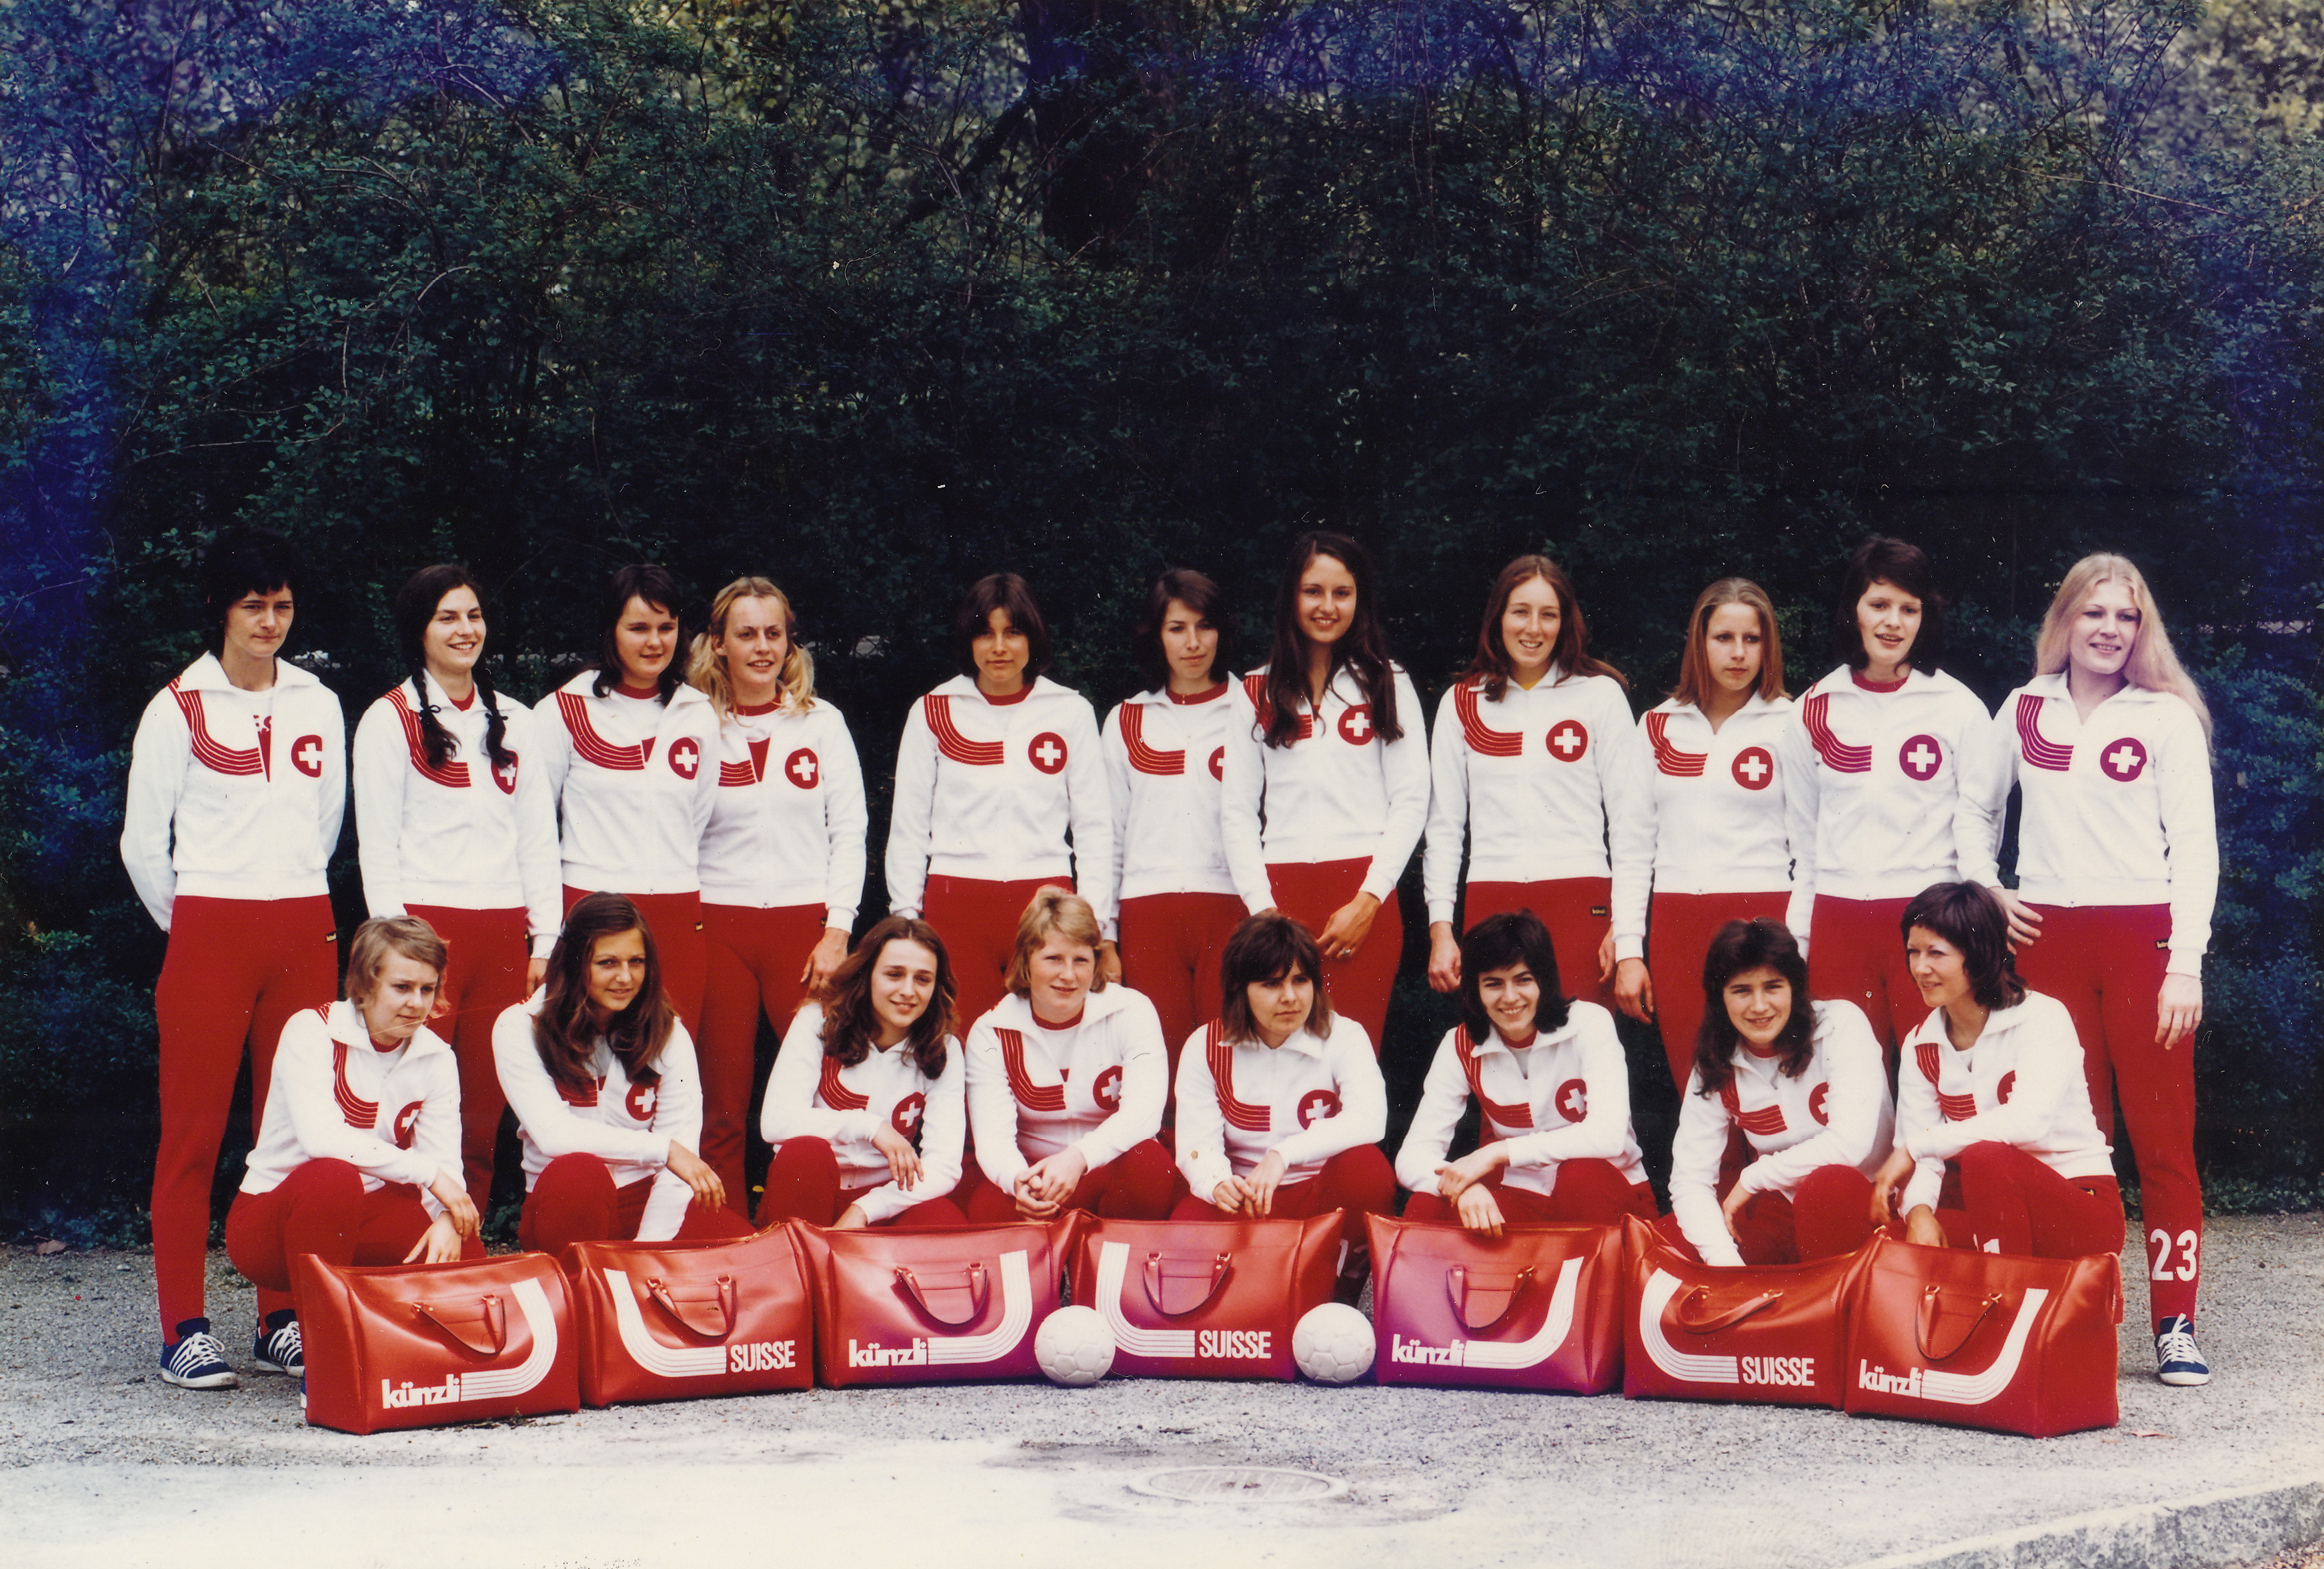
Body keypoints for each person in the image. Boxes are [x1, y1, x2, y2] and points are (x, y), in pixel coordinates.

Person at [1976, 553, 2216, 1384]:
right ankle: (2078, 1312)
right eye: (2093, 614)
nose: (2108, 629)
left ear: (2139, 630)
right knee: (2069, 1136)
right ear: (2065, 623)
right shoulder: (2021, 709)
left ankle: (2174, 1321)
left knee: (2160, 1140)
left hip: (2142, 939)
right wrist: (1989, 888)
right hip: (2045, 939)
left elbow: (2193, 846)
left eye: (2124, 616)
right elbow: (1974, 811)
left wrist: (2184, 962)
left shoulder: (2164, 717)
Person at [121, 527, 347, 1390]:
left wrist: (284, 895)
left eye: (282, 605)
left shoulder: (318, 701)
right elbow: (144, 846)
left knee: (291, 1128)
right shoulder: (178, 706)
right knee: (193, 1135)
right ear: (221, 609)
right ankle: (183, 1325)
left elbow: (325, 825)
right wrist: (199, 928)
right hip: (210, 929)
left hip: (302, 927)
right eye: (253, 605)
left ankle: (277, 1316)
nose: (269, 621)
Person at [353, 564, 560, 1214]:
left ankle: (463, 1258)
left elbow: (538, 842)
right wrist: (396, 950)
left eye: (473, 615)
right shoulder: (388, 720)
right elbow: (376, 844)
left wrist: (545, 940)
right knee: (414, 1104)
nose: (464, 629)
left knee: (481, 1110)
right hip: (425, 936)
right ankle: (396, 1253)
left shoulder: (518, 722)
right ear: (420, 629)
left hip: (503, 935)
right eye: (448, 617)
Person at [1871, 885, 2145, 1368]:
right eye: (1912, 952)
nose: (1920, 967)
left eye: (1937, 952)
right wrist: (1917, 1209)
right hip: (1995, 1212)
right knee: (1889, 1244)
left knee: (1986, 1157)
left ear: (1977, 953)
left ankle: (2008, 1341)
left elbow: (2027, 1121)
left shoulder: (2040, 1017)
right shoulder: (1921, 1045)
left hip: (2077, 1206)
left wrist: (1918, 1145)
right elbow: (1923, 1156)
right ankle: (1929, 1351)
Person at [224, 918, 482, 1386]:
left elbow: (445, 1161)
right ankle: (327, 1363)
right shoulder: (312, 1029)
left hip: (363, 1220)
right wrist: (429, 1174)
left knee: (464, 1244)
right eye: (402, 986)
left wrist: (447, 1216)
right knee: (333, 1176)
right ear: (364, 986)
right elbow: (322, 1138)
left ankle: (450, 1365)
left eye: (427, 989)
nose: (417, 1003)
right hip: (271, 1223)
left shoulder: (436, 1056)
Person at [687, 575, 867, 1219]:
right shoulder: (694, 722)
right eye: (746, 634)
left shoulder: (821, 723)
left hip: (804, 930)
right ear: (719, 643)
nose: (761, 647)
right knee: (723, 1105)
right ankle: (722, 1239)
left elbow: (850, 830)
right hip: (721, 926)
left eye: (773, 633)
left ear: (790, 643)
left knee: (823, 1091)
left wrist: (838, 929)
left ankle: (817, 1232)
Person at [1778, 537, 2001, 1052]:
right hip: (1837, 922)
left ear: (1925, 618)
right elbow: (1804, 847)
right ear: (1852, 610)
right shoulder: (1814, 708)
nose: (1892, 622)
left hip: (1930, 922)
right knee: (1847, 1078)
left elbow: (1980, 828)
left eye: (1908, 608)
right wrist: (1799, 943)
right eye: (1878, 604)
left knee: (1938, 1070)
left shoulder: (1958, 707)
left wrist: (1976, 922)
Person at [1220, 533, 1428, 1048]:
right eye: (1313, 591)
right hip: (1278, 896)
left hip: (1362, 898)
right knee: (1276, 1054)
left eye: (1342, 592)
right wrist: (1263, 910)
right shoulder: (1254, 690)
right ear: (1292, 595)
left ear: (1360, 600)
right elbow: (1237, 811)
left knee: (1352, 1050)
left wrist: (1369, 898)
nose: (1327, 606)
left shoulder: (1388, 681)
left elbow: (1411, 801)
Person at [885, 573, 1114, 1028]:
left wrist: (1096, 929)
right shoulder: (933, 710)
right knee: (960, 1044)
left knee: (1042, 1043)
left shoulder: (1070, 710)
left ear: (1033, 635)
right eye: (985, 633)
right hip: (957, 901)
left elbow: (1094, 828)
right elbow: (909, 826)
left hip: (1044, 905)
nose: (999, 647)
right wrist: (905, 919)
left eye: (1012, 631)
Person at [1424, 555, 1644, 1010]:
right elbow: (1444, 827)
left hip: (1580, 898)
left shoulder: (1599, 695)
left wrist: (1625, 931)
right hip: (1491, 895)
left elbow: (1630, 826)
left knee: (1581, 1054)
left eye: (1548, 614)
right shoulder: (1461, 702)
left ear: (1565, 623)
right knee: (1500, 1055)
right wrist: (1441, 929)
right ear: (1498, 617)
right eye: (1520, 611)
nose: (1533, 628)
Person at [1608, 577, 1797, 1094]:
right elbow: (1630, 847)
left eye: (1751, 640)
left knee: (1770, 1086)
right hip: (1677, 924)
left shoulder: (1793, 723)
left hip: (1765, 921)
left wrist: (1799, 939)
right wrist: (1629, 948)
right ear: (1699, 641)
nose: (1738, 654)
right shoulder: (1655, 726)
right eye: (1723, 638)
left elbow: (1811, 848)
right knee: (1698, 1086)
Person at [492, 892, 751, 1254]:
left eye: (637, 962)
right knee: (580, 1171)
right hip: (567, 1200)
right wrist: (663, 1150)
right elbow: (554, 1136)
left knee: (747, 1257)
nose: (625, 977)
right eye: (608, 963)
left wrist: (647, 1252)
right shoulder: (519, 1026)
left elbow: (679, 1166)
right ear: (575, 963)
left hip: (648, 1198)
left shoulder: (667, 1031)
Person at [533, 563, 720, 1030]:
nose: (654, 642)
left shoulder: (697, 713)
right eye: (638, 628)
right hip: (591, 906)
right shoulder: (563, 709)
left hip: (677, 910)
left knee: (668, 1060)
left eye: (666, 627)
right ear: (610, 630)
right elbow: (536, 829)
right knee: (583, 1063)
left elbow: (696, 818)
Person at [1171, 913, 1393, 1303]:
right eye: (1272, 984)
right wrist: (1216, 1183)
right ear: (1241, 989)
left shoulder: (1342, 1034)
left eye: (1300, 980)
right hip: (1245, 1197)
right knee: (1188, 1225)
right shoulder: (1206, 1046)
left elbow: (1370, 1118)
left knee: (1367, 1170)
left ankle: (1336, 1294)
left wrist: (1283, 1155)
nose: (1290, 997)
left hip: (1318, 1192)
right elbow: (1196, 1142)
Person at [1395, 912, 1654, 1233]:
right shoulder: (1459, 1045)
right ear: (1475, 990)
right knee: (1427, 1204)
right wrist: (1461, 1188)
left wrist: (1498, 1153)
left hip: (1607, 1192)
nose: (1510, 997)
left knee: (1579, 1175)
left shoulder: (1589, 1023)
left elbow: (1608, 1136)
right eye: (1493, 984)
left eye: (1523, 979)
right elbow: (1413, 1155)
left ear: (1543, 981)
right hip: (1523, 1197)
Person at [1662, 918, 1895, 1268]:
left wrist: (1754, 1177)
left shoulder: (1841, 1025)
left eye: (1773, 987)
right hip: (1783, 1205)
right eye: (1741, 990)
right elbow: (1689, 1179)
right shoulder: (1716, 1060)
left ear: (1794, 988)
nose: (1759, 1006)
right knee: (1670, 1243)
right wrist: (1726, 1264)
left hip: (1867, 1200)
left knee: (1827, 1187)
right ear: (1720, 997)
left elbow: (1851, 1145)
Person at [960, 889, 1176, 1222]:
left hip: (1106, 1166)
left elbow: (1143, 1114)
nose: (1069, 975)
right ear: (1026, 962)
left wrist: (1078, 1158)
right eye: (1053, 959)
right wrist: (1019, 1181)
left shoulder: (1131, 1010)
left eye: (1081, 960)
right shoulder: (992, 1031)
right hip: (1036, 1176)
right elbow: (993, 1137)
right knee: (986, 1208)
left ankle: (1116, 1270)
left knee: (1149, 1165)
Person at [1102, 569, 1245, 1071]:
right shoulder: (1126, 719)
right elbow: (1109, 835)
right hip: (1147, 910)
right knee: (1157, 1063)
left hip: (1230, 905)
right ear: (1155, 635)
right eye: (1176, 627)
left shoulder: (1252, 709)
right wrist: (1105, 933)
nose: (1192, 643)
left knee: (1227, 1060)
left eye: (1204, 626)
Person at [757, 916, 970, 1228]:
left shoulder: (943, 1046)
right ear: (867, 973)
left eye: (923, 979)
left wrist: (867, 1209)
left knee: (942, 1218)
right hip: (812, 1192)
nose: (908, 990)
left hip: (883, 1200)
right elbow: (776, 1121)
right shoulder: (819, 1020)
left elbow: (944, 1165)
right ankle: (795, 1271)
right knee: (804, 1153)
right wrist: (870, 1127)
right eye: (894, 975)